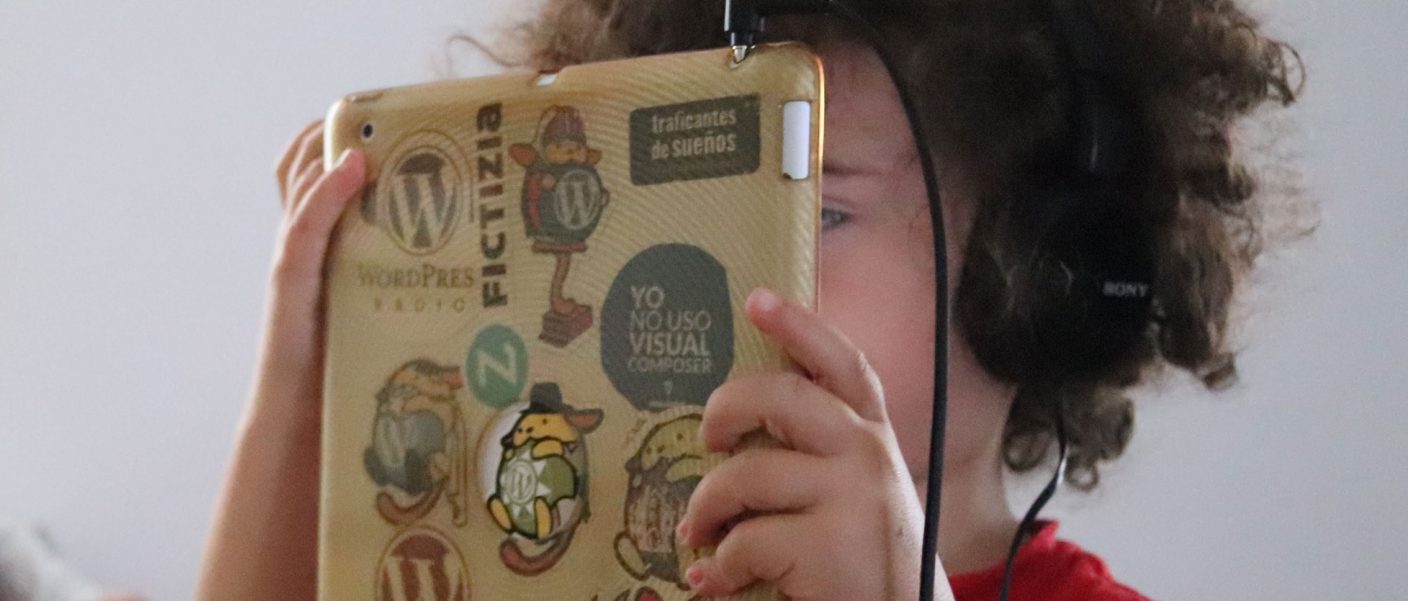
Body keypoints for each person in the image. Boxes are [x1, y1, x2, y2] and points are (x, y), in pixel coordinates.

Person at [196, 0, 1304, 599]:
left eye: (814, 210)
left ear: (1043, 275)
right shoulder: (544, 546)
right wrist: (301, 399)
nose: (702, 279)